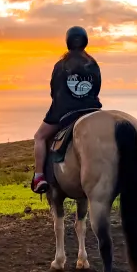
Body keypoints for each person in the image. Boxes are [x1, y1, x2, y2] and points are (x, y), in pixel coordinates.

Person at [32, 26, 102, 193]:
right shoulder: (93, 64)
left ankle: (39, 176)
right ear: (86, 42)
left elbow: (54, 92)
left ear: (67, 42)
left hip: (65, 112)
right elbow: (97, 88)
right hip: (91, 111)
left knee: (39, 137)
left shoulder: (61, 65)